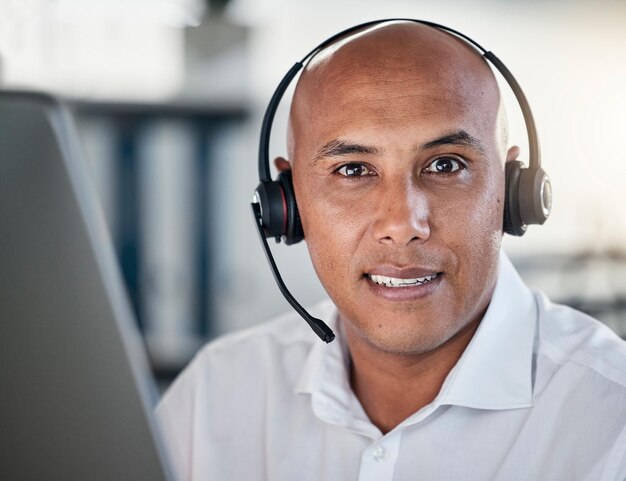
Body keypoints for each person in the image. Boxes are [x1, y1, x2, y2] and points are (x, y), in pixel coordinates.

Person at [155, 21, 626, 481]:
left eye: (446, 164)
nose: (403, 226)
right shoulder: (212, 399)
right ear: (289, 202)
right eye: (354, 170)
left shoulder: (611, 421)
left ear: (513, 191)